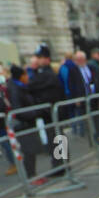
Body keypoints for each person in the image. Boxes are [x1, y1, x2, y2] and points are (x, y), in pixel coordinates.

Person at [27, 44, 65, 176]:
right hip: (49, 113)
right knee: (56, 139)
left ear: (47, 59)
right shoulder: (44, 73)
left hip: (51, 113)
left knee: (56, 139)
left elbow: (31, 85)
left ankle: (60, 166)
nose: (38, 60)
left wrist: (32, 70)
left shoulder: (46, 74)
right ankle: (61, 165)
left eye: (41, 57)